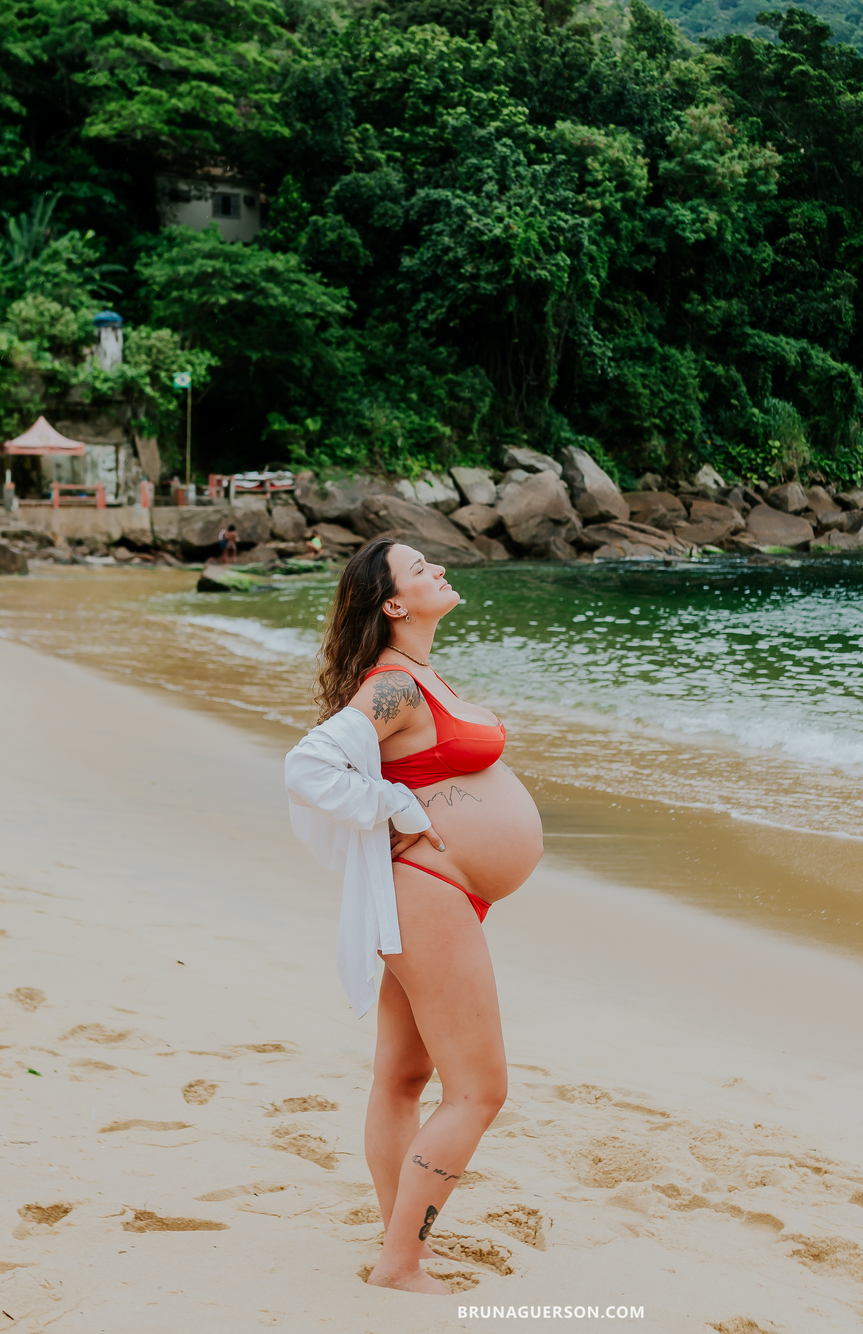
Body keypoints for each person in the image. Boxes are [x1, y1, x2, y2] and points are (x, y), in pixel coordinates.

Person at [284, 538, 543, 1294]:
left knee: (402, 1078)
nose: (437, 568)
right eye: (418, 567)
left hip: (438, 889)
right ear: (393, 603)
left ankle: (403, 1246)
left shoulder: (420, 676)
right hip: (428, 889)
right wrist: (393, 803)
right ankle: (399, 1264)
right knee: (479, 1090)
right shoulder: (393, 686)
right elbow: (308, 766)